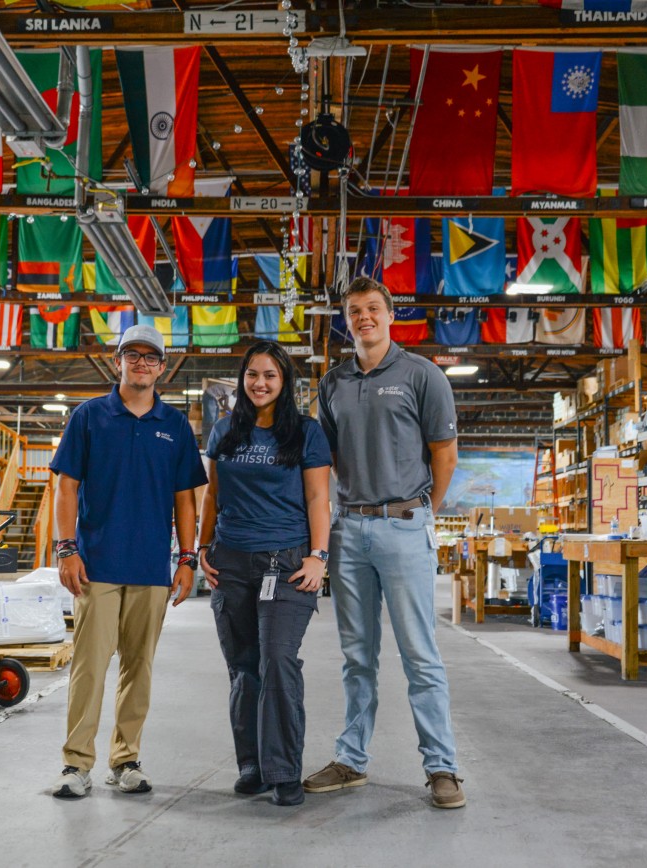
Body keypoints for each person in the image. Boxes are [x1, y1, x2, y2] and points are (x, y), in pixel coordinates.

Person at [303, 276, 465, 809]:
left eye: (373, 308)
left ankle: (442, 768)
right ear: (345, 320)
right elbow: (320, 464)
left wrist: (421, 517)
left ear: (390, 315)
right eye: (354, 311)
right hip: (349, 531)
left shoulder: (422, 375)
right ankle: (351, 759)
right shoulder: (333, 383)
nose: (363, 317)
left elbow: (444, 456)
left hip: (403, 526)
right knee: (357, 657)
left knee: (421, 654)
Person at [48, 324, 207, 799]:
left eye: (150, 357)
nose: (141, 363)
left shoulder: (175, 426)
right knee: (90, 668)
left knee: (140, 667)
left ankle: (126, 758)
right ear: (118, 361)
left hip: (151, 570)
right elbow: (67, 487)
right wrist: (66, 548)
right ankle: (76, 764)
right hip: (96, 565)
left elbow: (185, 500)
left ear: (162, 366)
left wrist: (187, 559)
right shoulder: (90, 416)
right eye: (132, 355)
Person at [198, 342, 332, 808]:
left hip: (287, 561)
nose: (259, 383)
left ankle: (284, 769)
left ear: (284, 382)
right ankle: (252, 766)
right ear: (242, 379)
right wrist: (201, 547)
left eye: (270, 376)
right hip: (231, 562)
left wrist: (318, 555)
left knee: (277, 659)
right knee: (243, 668)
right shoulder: (224, 431)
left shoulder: (306, 433)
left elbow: (318, 499)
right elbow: (212, 497)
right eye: (252, 374)